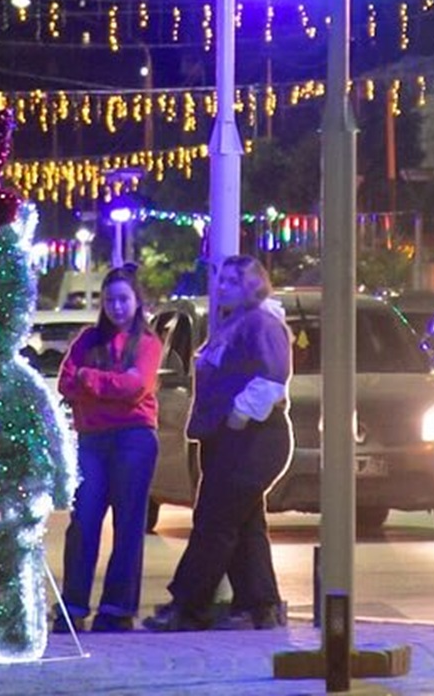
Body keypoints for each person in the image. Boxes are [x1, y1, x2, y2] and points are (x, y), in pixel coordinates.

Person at [144, 255, 293, 632]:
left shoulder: (260, 321)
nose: (221, 286)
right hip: (231, 438)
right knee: (243, 523)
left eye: (231, 280)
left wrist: (238, 415)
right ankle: (260, 606)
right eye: (221, 279)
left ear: (252, 285)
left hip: (250, 439)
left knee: (215, 521)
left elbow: (272, 379)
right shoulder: (235, 322)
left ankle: (188, 605)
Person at [56, 265, 161, 633]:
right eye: (111, 299)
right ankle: (73, 604)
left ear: (136, 302)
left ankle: (117, 609)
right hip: (92, 441)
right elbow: (65, 382)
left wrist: (89, 380)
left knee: (128, 524)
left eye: (124, 299)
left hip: (134, 438)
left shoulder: (148, 344)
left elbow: (136, 387)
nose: (117, 307)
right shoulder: (88, 340)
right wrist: (106, 384)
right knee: (83, 521)